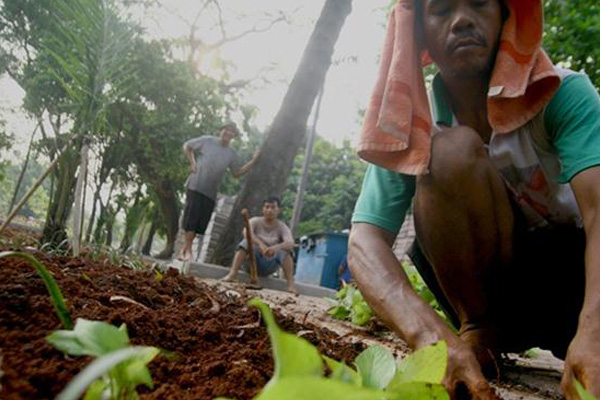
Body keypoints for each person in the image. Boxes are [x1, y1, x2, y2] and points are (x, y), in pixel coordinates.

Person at [349, 0, 600, 398]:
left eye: (480, 3)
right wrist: (429, 335)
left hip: (578, 289)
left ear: (506, 16)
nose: (462, 19)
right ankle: (479, 332)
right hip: (492, 299)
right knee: (446, 152)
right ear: (419, 31)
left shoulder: (562, 91)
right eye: (442, 9)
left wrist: (594, 330)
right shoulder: (412, 125)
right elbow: (364, 241)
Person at [178, 122, 259, 261]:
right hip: (196, 185)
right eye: (226, 129)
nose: (228, 133)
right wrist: (192, 162)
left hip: (211, 192)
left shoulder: (231, 154)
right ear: (220, 130)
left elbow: (236, 172)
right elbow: (187, 146)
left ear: (234, 135)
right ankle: (189, 252)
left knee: (200, 224)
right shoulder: (207, 140)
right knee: (191, 218)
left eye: (231, 131)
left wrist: (253, 161)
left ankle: (184, 251)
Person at [222, 196, 297, 294]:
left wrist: (275, 248)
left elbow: (290, 243)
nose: (269, 210)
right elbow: (246, 233)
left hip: (270, 264)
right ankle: (232, 274)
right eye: (267, 207)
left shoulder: (282, 226)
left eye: (273, 207)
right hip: (251, 262)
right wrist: (261, 245)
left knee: (287, 251)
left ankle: (290, 285)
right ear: (263, 209)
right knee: (245, 242)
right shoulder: (255, 221)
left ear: (278, 210)